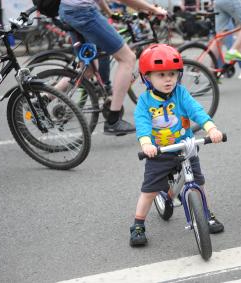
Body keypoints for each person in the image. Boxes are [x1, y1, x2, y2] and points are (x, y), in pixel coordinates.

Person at [130, 44, 224, 246]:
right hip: (159, 152)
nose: (168, 79)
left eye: (172, 74)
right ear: (147, 78)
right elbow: (143, 124)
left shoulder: (181, 93)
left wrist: (211, 128)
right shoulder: (145, 101)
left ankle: (205, 212)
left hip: (185, 146)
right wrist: (146, 144)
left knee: (198, 183)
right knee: (150, 190)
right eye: (161, 75)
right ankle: (138, 224)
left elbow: (196, 110)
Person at [58, 0, 167, 136]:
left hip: (68, 11)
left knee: (89, 70)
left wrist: (110, 13)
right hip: (83, 12)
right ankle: (113, 120)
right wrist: (153, 9)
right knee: (128, 58)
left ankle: (46, 96)